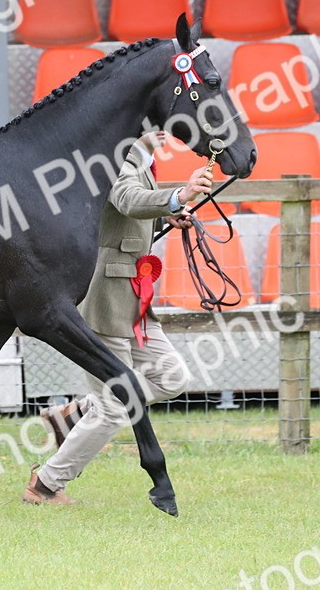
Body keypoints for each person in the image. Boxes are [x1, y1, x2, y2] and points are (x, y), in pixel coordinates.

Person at [23, 131, 215, 505]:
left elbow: (120, 223)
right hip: (106, 298)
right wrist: (180, 195)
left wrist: (167, 216)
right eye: (152, 122)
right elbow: (126, 199)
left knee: (172, 376)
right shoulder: (118, 156)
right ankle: (45, 485)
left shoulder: (141, 159)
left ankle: (77, 412)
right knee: (113, 410)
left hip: (133, 299)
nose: (163, 130)